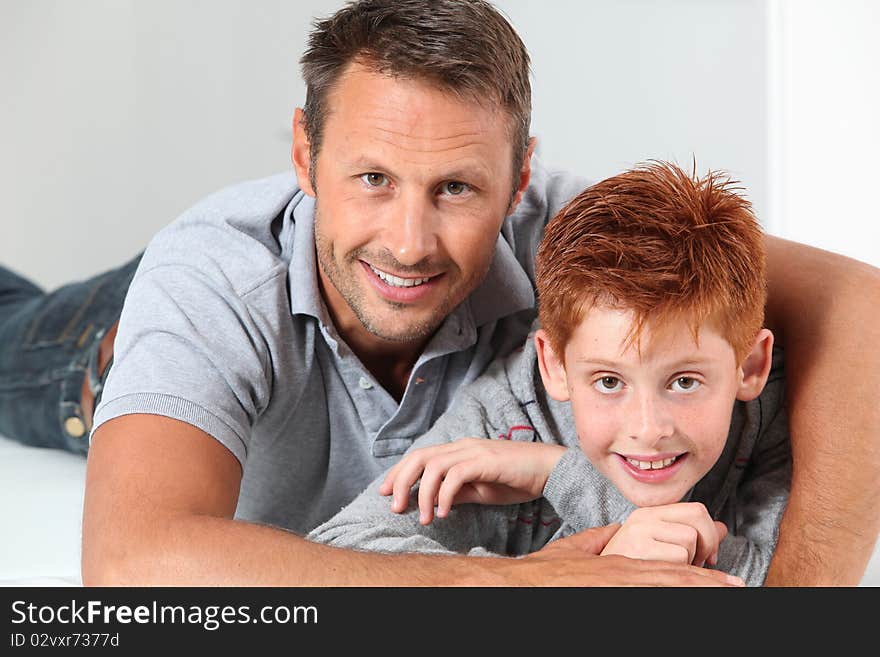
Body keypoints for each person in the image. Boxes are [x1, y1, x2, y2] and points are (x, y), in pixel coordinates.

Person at [0, 0, 877, 586]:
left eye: (456, 188)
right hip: (88, 350)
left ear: (520, 175)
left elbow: (860, 305)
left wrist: (793, 608)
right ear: (305, 156)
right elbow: (130, 561)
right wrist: (515, 588)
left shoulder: (571, 233)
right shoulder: (213, 282)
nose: (411, 242)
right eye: (373, 176)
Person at [308, 161, 790, 586]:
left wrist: (555, 472)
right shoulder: (511, 412)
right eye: (608, 382)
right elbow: (335, 556)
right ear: (554, 365)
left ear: (750, 366)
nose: (647, 429)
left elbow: (798, 582)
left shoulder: (778, 415)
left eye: (684, 382)